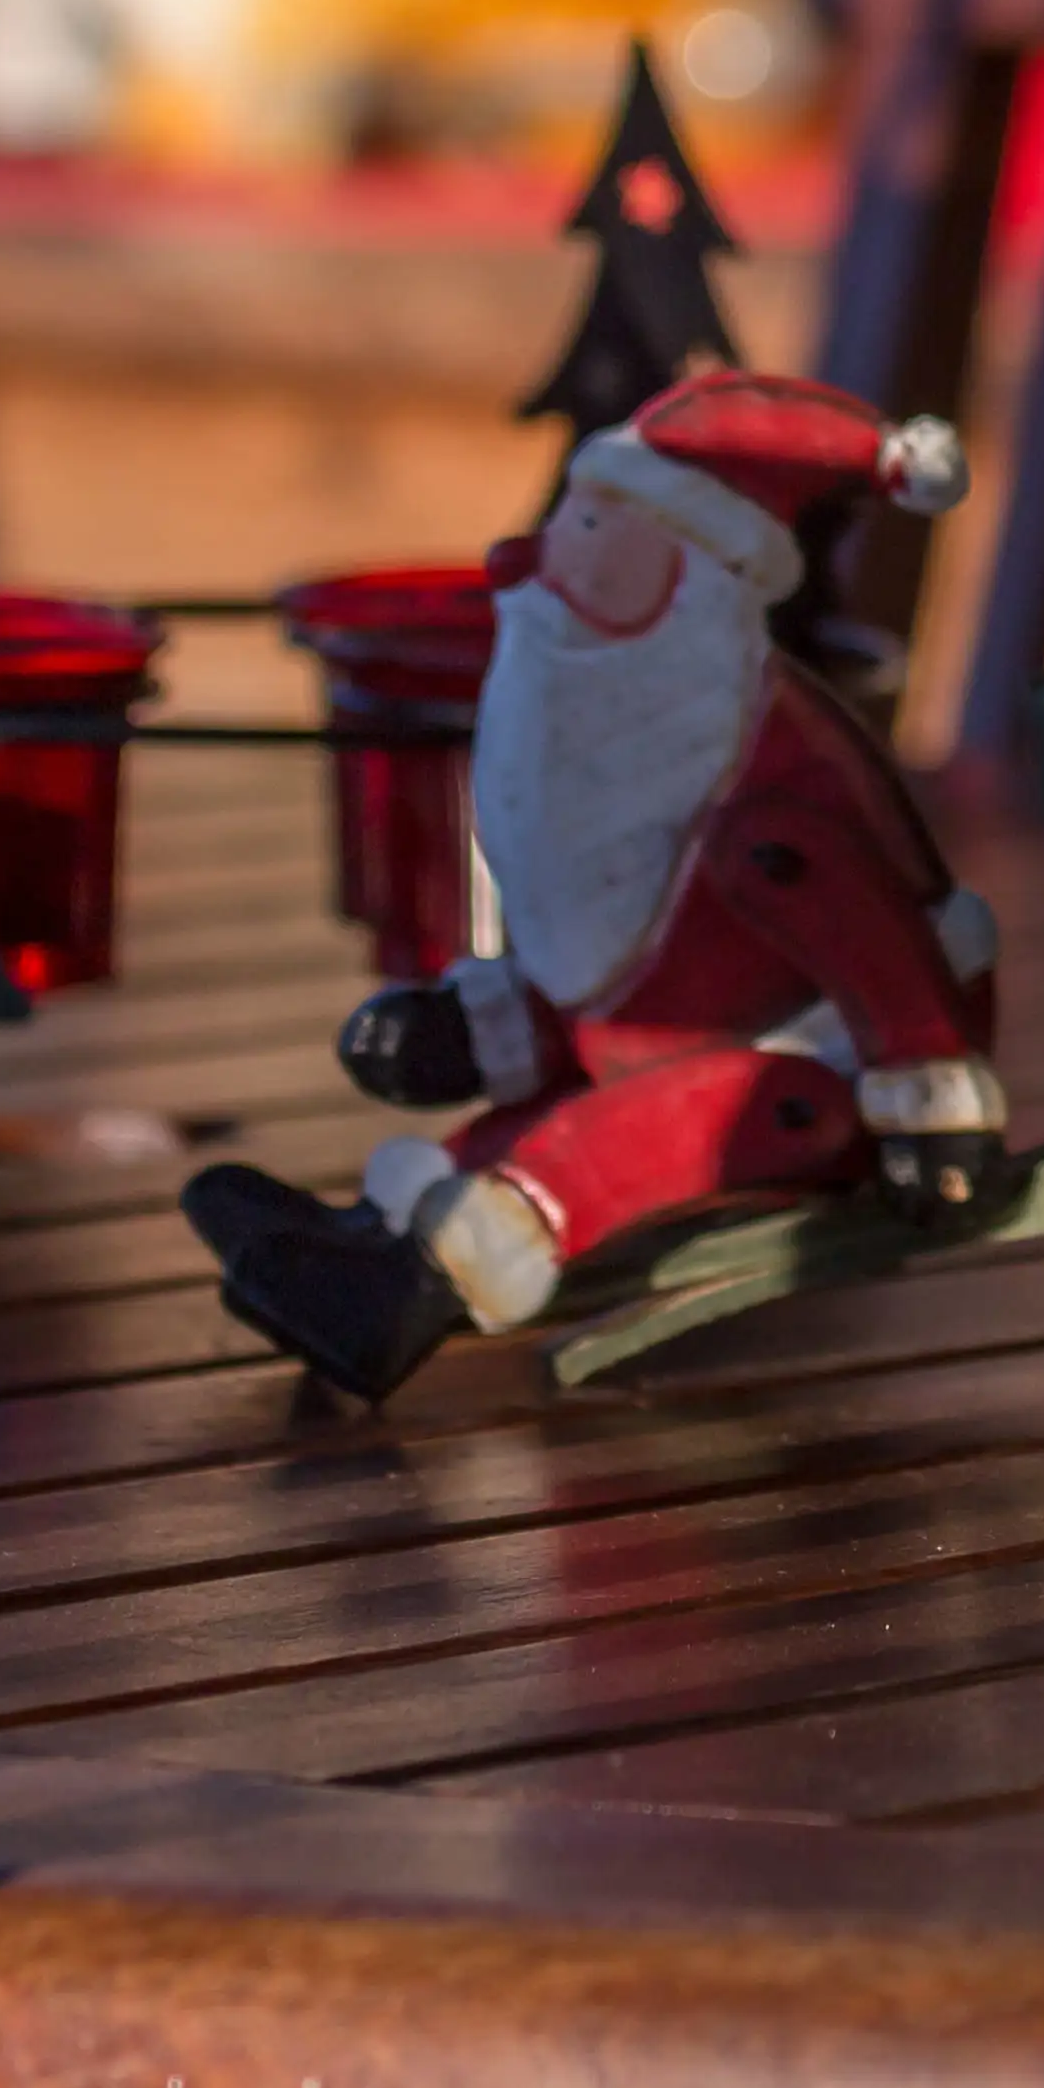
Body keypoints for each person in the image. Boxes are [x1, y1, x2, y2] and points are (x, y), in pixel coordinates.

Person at [182, 369, 987, 1398]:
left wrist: (932, 1102)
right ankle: (378, 1232)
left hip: (813, 1068)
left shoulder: (764, 780)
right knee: (587, 1096)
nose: (537, 561)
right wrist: (481, 1031)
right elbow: (618, 959)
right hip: (675, 1037)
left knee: (647, 1125)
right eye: (573, 518)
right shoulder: (634, 747)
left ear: (692, 579)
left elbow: (875, 950)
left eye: (598, 530)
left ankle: (417, 1288)